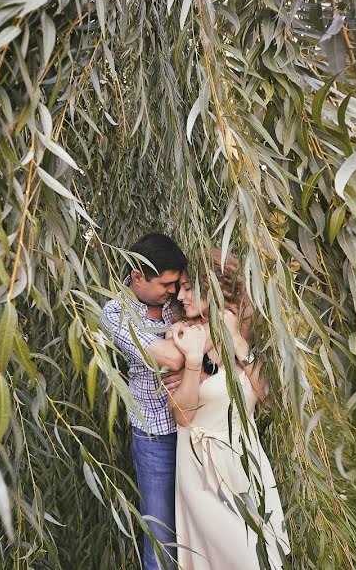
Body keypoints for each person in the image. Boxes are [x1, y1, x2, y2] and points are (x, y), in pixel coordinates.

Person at [169, 250, 290, 569]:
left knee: (263, 555)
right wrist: (194, 361)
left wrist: (239, 343)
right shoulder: (184, 335)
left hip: (247, 459)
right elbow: (181, 415)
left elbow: (268, 400)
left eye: (185, 286)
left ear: (211, 285)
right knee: (237, 557)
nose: (179, 295)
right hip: (203, 467)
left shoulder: (252, 327)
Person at [100, 233, 189, 570]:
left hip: (196, 431)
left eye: (176, 284)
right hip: (157, 438)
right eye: (166, 284)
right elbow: (173, 359)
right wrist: (191, 359)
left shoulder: (179, 301)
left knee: (199, 527)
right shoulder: (116, 312)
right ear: (138, 276)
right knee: (161, 533)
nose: (174, 291)